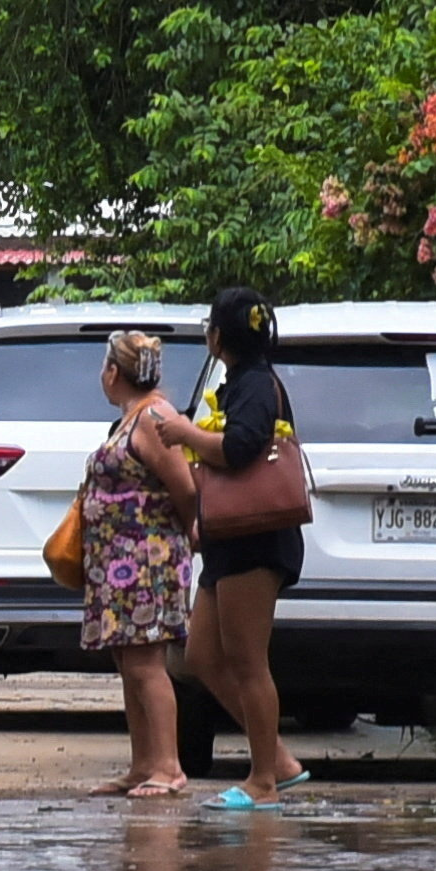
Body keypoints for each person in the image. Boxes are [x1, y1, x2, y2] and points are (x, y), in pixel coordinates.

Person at [73, 327, 230, 797]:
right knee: (130, 662)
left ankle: (168, 765)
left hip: (147, 558)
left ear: (113, 372)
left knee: (146, 663)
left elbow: (183, 487)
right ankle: (142, 764)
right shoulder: (133, 417)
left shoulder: (153, 418)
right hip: (120, 561)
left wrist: (187, 531)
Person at [187, 287, 309, 808]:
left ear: (218, 337)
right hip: (227, 540)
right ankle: (276, 757)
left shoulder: (257, 384)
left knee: (247, 661)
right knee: (201, 655)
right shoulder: (241, 381)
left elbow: (241, 448)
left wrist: (181, 433)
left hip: (256, 538)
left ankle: (264, 780)